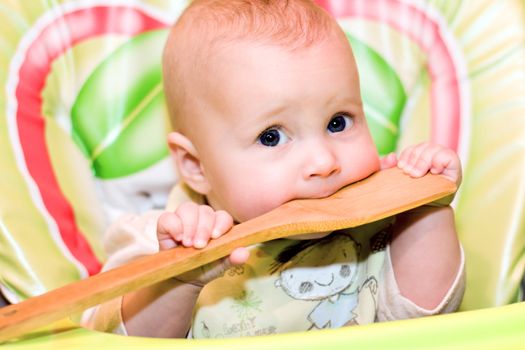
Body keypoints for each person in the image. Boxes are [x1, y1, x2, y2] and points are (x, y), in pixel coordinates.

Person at [82, 0, 465, 338]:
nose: (323, 162)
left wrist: (424, 210)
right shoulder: (156, 241)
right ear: (195, 166)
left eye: (338, 122)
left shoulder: (381, 229)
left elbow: (427, 322)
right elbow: (108, 338)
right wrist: (179, 279)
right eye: (271, 137)